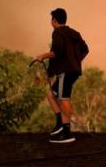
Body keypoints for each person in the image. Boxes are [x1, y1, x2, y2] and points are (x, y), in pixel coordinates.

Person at [34, 8, 88, 143]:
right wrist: (76, 61)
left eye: (51, 19)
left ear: (54, 21)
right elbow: (86, 50)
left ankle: (66, 133)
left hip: (65, 71)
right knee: (52, 95)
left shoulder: (58, 32)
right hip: (72, 71)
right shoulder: (74, 33)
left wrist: (42, 56)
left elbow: (56, 52)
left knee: (63, 99)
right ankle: (60, 124)